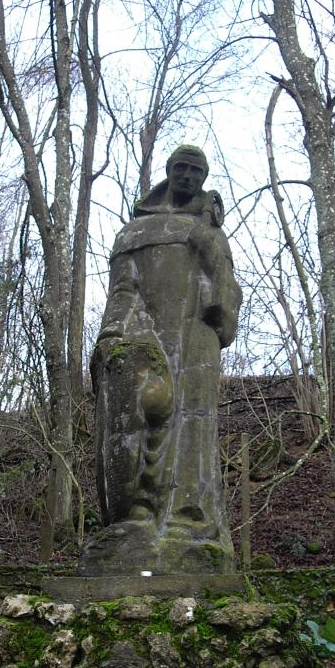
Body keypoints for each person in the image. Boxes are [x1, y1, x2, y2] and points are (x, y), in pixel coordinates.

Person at [78, 145, 242, 576]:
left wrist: (209, 250)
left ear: (203, 178)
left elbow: (225, 303)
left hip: (197, 342)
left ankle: (188, 522)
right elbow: (122, 291)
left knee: (192, 429)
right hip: (146, 335)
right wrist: (111, 335)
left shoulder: (210, 233)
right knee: (140, 418)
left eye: (196, 171)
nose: (187, 176)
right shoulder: (135, 231)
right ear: (168, 172)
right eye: (180, 168)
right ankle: (136, 517)